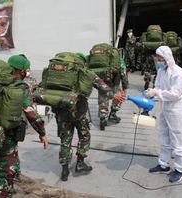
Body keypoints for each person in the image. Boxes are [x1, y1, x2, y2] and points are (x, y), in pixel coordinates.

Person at [0, 55, 48, 198]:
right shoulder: (21, 87)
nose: (28, 72)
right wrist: (42, 133)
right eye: (27, 70)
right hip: (6, 137)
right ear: (21, 71)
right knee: (5, 174)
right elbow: (31, 113)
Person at [51, 53, 126, 181]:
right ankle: (80, 163)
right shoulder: (87, 74)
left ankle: (64, 171)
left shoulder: (55, 75)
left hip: (61, 111)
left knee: (65, 140)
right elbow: (103, 87)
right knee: (84, 136)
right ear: (83, 63)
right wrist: (116, 95)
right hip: (79, 112)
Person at [146, 46, 182, 183]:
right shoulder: (161, 70)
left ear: (167, 58)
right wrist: (152, 91)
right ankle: (163, 164)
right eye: (157, 58)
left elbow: (176, 94)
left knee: (179, 139)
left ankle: (180, 169)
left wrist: (157, 93)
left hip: (178, 110)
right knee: (164, 136)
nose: (158, 61)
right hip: (165, 108)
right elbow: (158, 86)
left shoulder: (179, 73)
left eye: (160, 58)